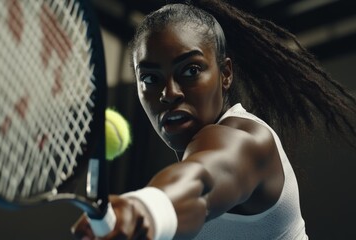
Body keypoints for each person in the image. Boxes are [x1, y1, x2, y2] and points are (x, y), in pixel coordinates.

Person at [72, 0, 356, 239]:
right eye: (149, 78)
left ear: (226, 74)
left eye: (191, 70)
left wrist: (145, 207)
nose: (169, 93)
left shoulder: (247, 141)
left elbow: (201, 182)